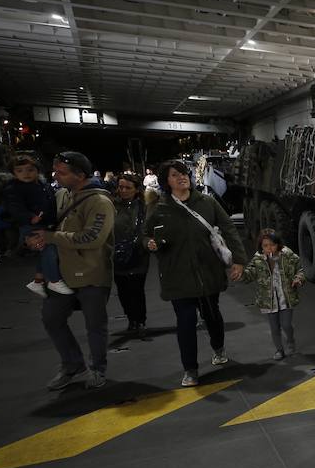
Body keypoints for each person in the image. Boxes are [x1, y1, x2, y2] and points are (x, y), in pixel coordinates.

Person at [145, 160, 246, 387]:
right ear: (165, 182)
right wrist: (148, 242)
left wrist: (238, 260)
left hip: (207, 273)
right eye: (174, 174)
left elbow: (228, 228)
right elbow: (144, 234)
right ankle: (190, 369)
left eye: (183, 173)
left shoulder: (207, 202)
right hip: (177, 276)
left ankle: (218, 347)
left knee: (212, 316)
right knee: (186, 322)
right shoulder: (160, 209)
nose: (181, 177)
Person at [26, 151, 116, 390]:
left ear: (80, 174)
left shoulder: (100, 201)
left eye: (62, 173)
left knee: (95, 326)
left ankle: (97, 369)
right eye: (55, 171)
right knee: (51, 318)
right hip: (61, 276)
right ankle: (72, 364)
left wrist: (52, 237)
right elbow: (48, 226)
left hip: (92, 274)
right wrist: (35, 238)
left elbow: (92, 238)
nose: (56, 176)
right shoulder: (61, 195)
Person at [3, 154, 69, 296]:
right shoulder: (14, 188)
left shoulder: (42, 184)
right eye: (20, 170)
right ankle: (54, 280)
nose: (25, 174)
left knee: (44, 251)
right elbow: (14, 207)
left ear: (37, 170)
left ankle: (38, 281)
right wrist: (29, 217)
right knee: (48, 249)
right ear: (13, 173)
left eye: (29, 169)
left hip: (45, 224)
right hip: (31, 226)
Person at [241, 228, 304, 360]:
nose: (269, 248)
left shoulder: (287, 255)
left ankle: (290, 341)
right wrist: (240, 274)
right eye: (265, 245)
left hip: (286, 297)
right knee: (274, 328)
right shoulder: (258, 260)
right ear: (261, 247)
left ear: (278, 244)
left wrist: (298, 279)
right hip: (268, 300)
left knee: (286, 324)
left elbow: (300, 269)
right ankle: (279, 350)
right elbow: (248, 275)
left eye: (272, 245)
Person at [111, 173, 151, 338]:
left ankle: (139, 320)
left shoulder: (143, 206)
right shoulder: (112, 205)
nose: (124, 190)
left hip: (138, 254)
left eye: (128, 187)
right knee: (122, 289)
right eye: (121, 187)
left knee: (136, 289)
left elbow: (147, 228)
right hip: (117, 253)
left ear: (136, 189)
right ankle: (131, 319)